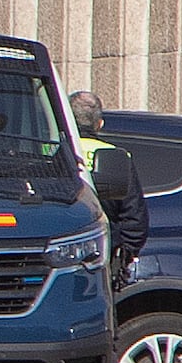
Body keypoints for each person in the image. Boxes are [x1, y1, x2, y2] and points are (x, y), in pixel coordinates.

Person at [71, 92, 150, 274]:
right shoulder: (117, 157)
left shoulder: (53, 152)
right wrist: (122, 257)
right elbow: (135, 220)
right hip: (103, 256)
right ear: (99, 124)